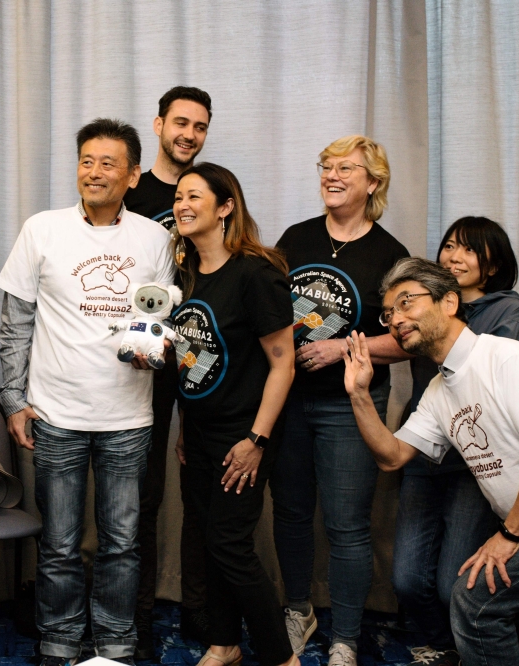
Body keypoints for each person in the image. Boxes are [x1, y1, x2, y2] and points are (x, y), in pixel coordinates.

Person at [343, 257, 519, 666]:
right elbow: (393, 457)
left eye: (406, 303)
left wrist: (508, 535)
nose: (395, 319)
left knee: (476, 604)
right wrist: (359, 395)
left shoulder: (505, 359)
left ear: (449, 302)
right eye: (388, 313)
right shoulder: (439, 390)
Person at [0, 118, 176, 665]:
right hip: (56, 413)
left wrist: (156, 346)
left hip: (128, 417)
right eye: (86, 161)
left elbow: (162, 320)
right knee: (58, 545)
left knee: (122, 544)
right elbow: (15, 323)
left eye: (108, 164)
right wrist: (13, 399)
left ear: (133, 175)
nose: (94, 172)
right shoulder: (42, 229)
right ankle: (60, 641)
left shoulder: (155, 236)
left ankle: (116, 643)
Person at [268, 135, 411, 666]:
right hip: (289, 402)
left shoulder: (391, 255)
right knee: (290, 513)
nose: (331, 175)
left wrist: (342, 347)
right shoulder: (296, 238)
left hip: (350, 407)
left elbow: (406, 338)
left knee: (348, 525)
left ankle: (346, 637)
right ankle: (298, 611)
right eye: (326, 166)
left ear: (372, 183)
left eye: (345, 169)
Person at [172, 163, 298, 666]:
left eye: (195, 196)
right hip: (199, 433)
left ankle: (280, 657)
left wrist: (256, 440)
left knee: (230, 545)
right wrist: (185, 429)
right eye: (179, 196)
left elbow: (283, 364)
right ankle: (225, 644)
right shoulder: (186, 273)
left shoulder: (255, 273)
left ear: (226, 207)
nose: (182, 204)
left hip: (243, 436)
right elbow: (192, 361)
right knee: (208, 541)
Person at [393, 217, 519, 666]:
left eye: (469, 250)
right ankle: (443, 644)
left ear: (492, 263)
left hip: (476, 463)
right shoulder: (423, 305)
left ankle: (464, 648)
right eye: (450, 246)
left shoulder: (508, 311)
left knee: (454, 580)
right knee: (407, 579)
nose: (454, 257)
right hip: (421, 451)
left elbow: (483, 381)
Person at [123, 85, 213, 657]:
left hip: (203, 361)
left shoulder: (209, 191)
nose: (189, 134)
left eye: (200, 126)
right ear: (157, 125)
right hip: (147, 364)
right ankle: (137, 613)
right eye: (181, 122)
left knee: (204, 492)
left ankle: (204, 614)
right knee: (142, 494)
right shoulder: (133, 191)